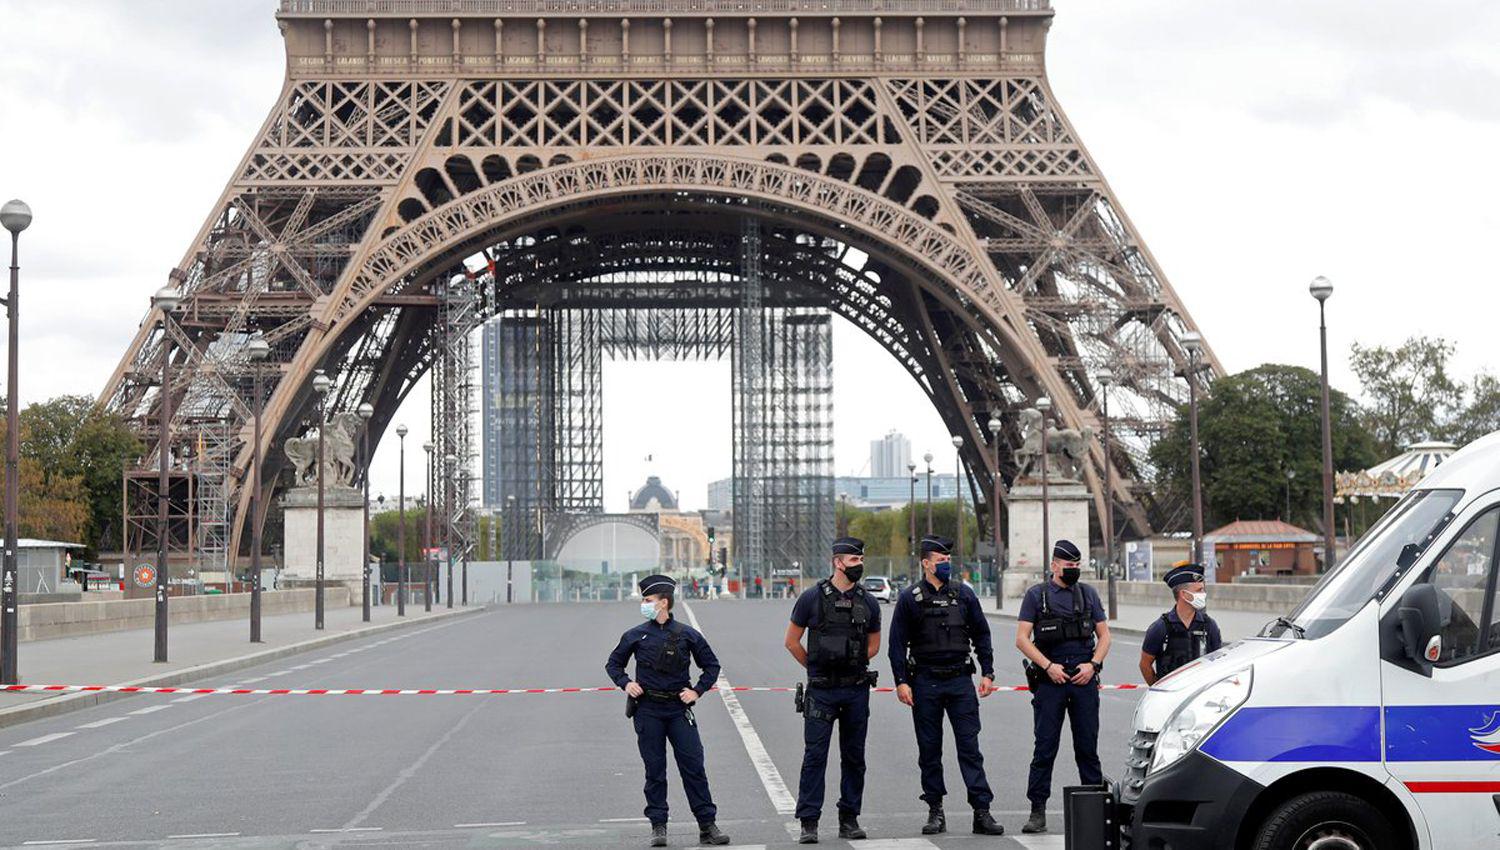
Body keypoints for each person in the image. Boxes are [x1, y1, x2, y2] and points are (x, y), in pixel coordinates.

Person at [888, 535, 1006, 837]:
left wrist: (988, 672)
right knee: (929, 750)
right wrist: (901, 681)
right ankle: (935, 810)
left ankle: (982, 811)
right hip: (925, 681)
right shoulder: (909, 598)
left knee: (970, 748)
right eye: (940, 561)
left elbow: (982, 634)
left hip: (959, 681)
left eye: (947, 560)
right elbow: (896, 644)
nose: (946, 565)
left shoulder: (964, 595)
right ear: (926, 564)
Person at [605, 574, 731, 847]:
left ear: (664, 602)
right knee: (655, 770)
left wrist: (696, 690)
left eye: (648, 600)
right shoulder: (635, 635)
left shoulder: (687, 635)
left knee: (694, 767)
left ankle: (707, 826)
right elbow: (613, 664)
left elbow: (711, 666)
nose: (644, 604)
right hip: (648, 710)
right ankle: (658, 827)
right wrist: (627, 683)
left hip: (678, 710)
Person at [785, 537, 882, 843]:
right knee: (815, 757)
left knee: (855, 757)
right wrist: (815, 667)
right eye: (854, 561)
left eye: (861, 560)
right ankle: (809, 822)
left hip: (855, 689)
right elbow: (791, 641)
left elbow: (874, 644)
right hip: (822, 691)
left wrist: (851, 662)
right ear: (838, 562)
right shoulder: (811, 598)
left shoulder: (868, 601)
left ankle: (849, 819)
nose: (859, 566)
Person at [1014, 539, 1113, 834]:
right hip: (1050, 680)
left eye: (1076, 566)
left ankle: (1095, 810)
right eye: (1068, 566)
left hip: (1083, 677)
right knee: (1044, 748)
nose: (1073, 570)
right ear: (1054, 566)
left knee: (1087, 748)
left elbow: (1105, 636)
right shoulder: (1037, 596)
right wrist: (1048, 666)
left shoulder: (1088, 594)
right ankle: (1037, 810)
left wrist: (1092, 665)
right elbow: (1021, 639)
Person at [1139, 562, 1223, 685]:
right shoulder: (1160, 628)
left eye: (1203, 590)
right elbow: (1145, 664)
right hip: (1170, 698)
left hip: (1200, 696)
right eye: (1199, 590)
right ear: (1184, 594)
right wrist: (1158, 689)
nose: (1203, 595)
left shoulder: (1209, 626)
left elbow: (1219, 663)